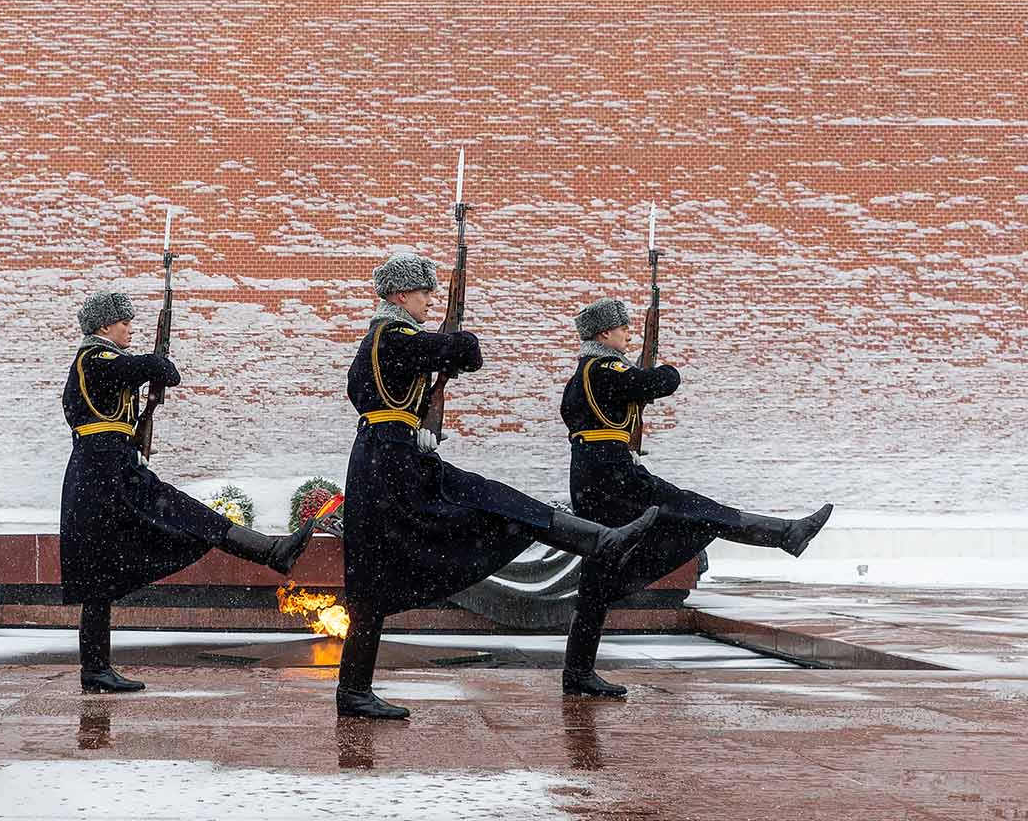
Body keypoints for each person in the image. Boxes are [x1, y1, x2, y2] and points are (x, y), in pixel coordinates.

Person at [335, 254, 661, 720]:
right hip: (391, 463)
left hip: (392, 458)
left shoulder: (386, 339)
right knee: (377, 575)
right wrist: (455, 333)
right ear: (401, 296)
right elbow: (468, 352)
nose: (429, 301)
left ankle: (599, 539)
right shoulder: (393, 337)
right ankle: (352, 692)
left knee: (492, 505)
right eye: (424, 293)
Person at [557, 297, 834, 696]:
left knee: (600, 573)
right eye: (623, 329)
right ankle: (784, 533)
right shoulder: (605, 369)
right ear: (604, 334)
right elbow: (661, 382)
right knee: (696, 511)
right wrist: (663, 369)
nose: (628, 335)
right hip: (615, 474)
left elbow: (616, 401)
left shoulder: (581, 376)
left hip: (591, 475)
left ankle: (577, 672)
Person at [60, 289, 317, 692]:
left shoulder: (106, 362)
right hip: (102, 472)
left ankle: (272, 551)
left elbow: (161, 374)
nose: (129, 329)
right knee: (103, 571)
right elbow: (152, 367)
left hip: (112, 469)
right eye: (124, 322)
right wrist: (157, 361)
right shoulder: (94, 359)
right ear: (104, 326)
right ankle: (94, 669)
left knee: (156, 536)